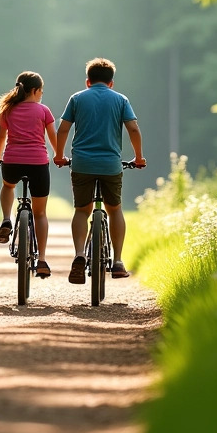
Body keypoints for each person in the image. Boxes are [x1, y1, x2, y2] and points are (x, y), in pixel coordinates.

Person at [53, 58, 146, 283]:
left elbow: (63, 128)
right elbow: (133, 128)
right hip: (110, 165)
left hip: (82, 163)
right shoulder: (121, 100)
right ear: (111, 83)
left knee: (82, 211)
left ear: (88, 81)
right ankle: (118, 262)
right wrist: (139, 157)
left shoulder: (77, 98)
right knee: (114, 209)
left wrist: (59, 155)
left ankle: (79, 255)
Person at [0, 71, 57, 278]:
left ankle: (6, 219)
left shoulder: (8, 110)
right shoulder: (43, 110)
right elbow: (53, 136)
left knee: (8, 186)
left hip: (12, 161)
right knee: (40, 214)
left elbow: (1, 137)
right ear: (35, 90)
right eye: (41, 91)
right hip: (38, 163)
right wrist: (59, 155)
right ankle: (43, 260)